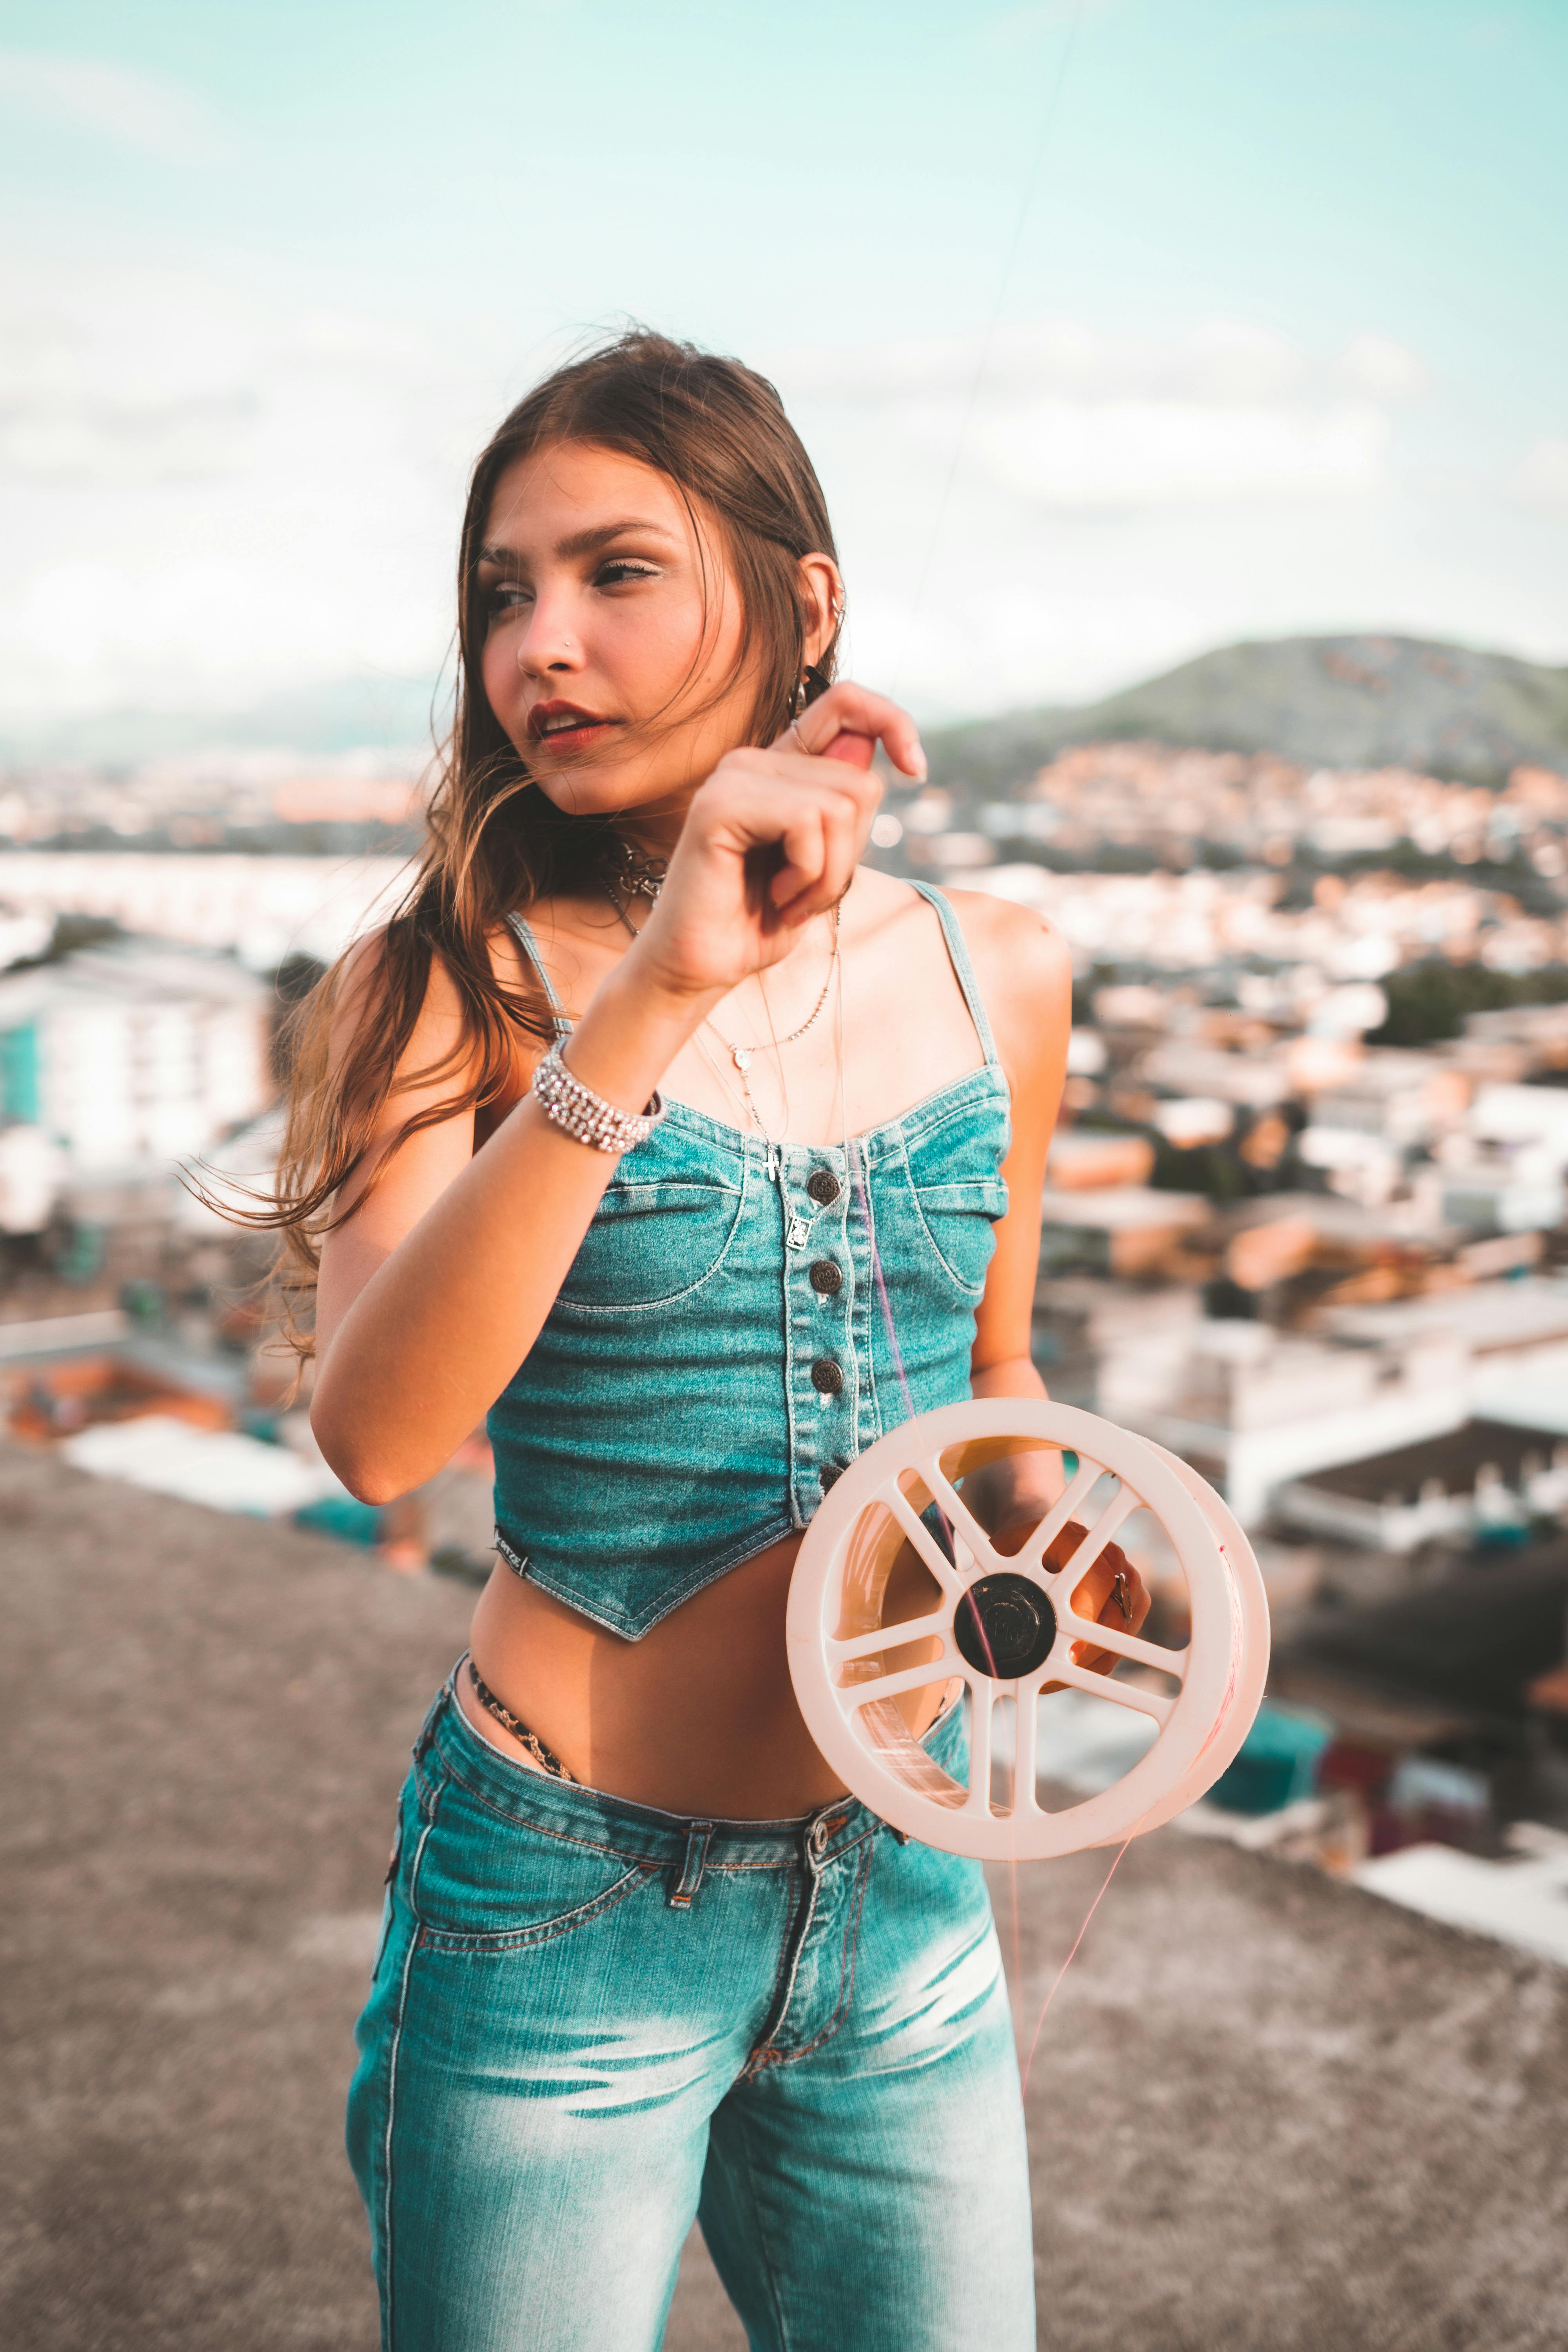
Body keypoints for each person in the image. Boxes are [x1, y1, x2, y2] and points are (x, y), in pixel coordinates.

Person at [270, 330, 1149, 2351]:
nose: (541, 647)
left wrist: (1066, 1553)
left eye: (616, 572)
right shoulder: (435, 989)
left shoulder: (997, 969)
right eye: (503, 593)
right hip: (561, 1904)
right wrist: (654, 994)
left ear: (807, 603)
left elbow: (994, 1377)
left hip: (906, 1886)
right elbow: (379, 1435)